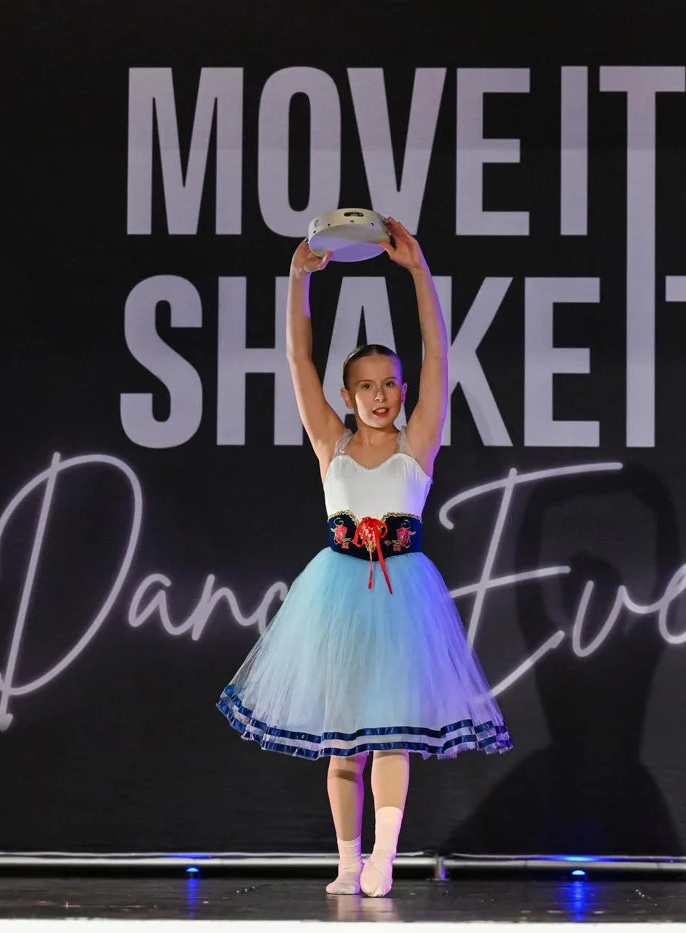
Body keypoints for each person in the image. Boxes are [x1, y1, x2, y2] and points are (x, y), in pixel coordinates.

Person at [217, 217, 511, 897]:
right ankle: (347, 858)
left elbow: (439, 354)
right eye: (367, 385)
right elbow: (297, 359)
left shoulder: (419, 443)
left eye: (390, 383)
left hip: (402, 593)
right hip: (339, 593)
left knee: (390, 732)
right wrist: (297, 282)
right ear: (347, 395)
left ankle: (383, 854)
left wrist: (417, 270)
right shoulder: (332, 442)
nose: (382, 395)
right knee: (342, 737)